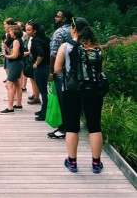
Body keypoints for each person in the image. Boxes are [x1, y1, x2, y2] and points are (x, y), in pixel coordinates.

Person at [54, 17, 104, 174]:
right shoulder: (97, 47)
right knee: (94, 126)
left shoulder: (66, 46)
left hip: (72, 90)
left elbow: (56, 69)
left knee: (72, 127)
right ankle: (96, 164)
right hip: (93, 90)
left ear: (73, 29)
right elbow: (100, 70)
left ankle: (72, 162)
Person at [47, 10, 73, 138]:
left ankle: (64, 128)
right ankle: (73, 125)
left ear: (64, 19)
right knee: (73, 101)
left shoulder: (60, 32)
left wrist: (51, 72)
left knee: (63, 100)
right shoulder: (76, 30)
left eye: (57, 16)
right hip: (75, 73)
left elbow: (53, 53)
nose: (55, 18)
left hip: (61, 72)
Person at [27, 22, 50, 121]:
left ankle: (44, 113)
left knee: (43, 92)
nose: (27, 32)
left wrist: (36, 63)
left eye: (29, 30)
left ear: (35, 31)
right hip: (47, 66)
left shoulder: (36, 41)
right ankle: (43, 110)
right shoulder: (45, 38)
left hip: (41, 68)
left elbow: (41, 54)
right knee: (44, 91)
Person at [0, 25, 24, 114]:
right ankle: (19, 104)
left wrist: (5, 56)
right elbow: (14, 52)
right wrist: (6, 48)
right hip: (18, 63)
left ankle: (10, 108)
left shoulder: (16, 41)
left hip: (15, 64)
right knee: (17, 84)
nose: (9, 33)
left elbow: (15, 55)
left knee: (8, 84)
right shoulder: (18, 40)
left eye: (10, 31)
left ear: (15, 32)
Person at [1, 18, 15, 82]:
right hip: (6, 53)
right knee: (6, 67)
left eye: (5, 24)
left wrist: (6, 47)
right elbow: (3, 43)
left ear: (9, 25)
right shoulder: (5, 34)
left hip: (11, 54)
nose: (4, 26)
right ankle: (9, 78)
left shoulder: (12, 35)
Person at [17, 21, 28, 91]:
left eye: (19, 26)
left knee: (24, 70)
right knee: (21, 70)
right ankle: (21, 85)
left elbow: (22, 43)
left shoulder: (24, 34)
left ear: (21, 27)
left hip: (24, 52)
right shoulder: (18, 34)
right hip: (21, 53)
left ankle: (23, 86)